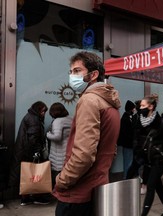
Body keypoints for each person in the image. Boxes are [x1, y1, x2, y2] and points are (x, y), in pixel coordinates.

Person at [53, 51, 121, 216]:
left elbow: (84, 154)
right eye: (71, 72)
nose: (72, 76)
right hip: (97, 185)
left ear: (94, 74)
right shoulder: (108, 101)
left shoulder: (89, 100)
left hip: (78, 192)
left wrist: (62, 180)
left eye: (77, 71)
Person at [126, 94, 163, 216]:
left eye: (143, 105)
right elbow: (136, 139)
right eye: (140, 105)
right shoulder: (139, 121)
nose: (140, 108)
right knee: (157, 184)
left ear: (151, 107)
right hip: (147, 159)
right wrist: (137, 152)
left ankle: (143, 214)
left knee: (150, 185)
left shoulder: (160, 122)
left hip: (160, 158)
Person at [8, 101, 49, 205]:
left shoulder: (30, 116)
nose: (44, 113)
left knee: (27, 175)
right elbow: (33, 138)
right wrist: (36, 151)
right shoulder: (34, 119)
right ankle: (36, 196)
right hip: (29, 151)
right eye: (43, 111)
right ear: (38, 110)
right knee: (35, 174)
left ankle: (25, 198)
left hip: (24, 150)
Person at [46, 102, 72, 188]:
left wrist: (48, 134)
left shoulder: (58, 121)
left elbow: (57, 137)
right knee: (66, 174)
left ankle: (59, 194)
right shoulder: (70, 119)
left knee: (57, 176)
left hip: (58, 153)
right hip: (68, 150)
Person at [117, 100, 138, 179]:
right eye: (133, 108)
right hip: (128, 144)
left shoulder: (128, 117)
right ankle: (126, 178)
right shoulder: (126, 119)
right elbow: (126, 132)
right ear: (130, 109)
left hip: (129, 144)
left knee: (130, 162)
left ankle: (128, 178)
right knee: (128, 162)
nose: (134, 110)